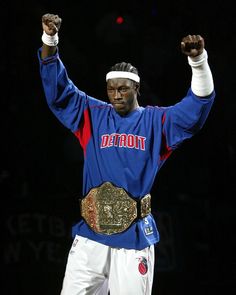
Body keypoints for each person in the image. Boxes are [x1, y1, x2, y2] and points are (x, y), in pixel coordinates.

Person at [38, 13, 215, 295]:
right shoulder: (93, 115)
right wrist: (50, 39)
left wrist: (198, 62)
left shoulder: (157, 123)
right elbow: (58, 92)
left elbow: (197, 106)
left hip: (133, 239)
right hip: (90, 237)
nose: (116, 95)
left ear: (137, 89)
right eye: (111, 89)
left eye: (123, 89)